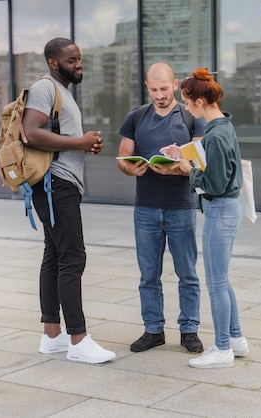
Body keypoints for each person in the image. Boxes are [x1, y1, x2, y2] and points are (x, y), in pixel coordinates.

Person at [22, 37, 115, 364]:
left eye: (79, 59)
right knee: (73, 257)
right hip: (54, 185)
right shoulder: (45, 88)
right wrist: (79, 142)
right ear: (53, 62)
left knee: (55, 254)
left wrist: (83, 144)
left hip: (57, 185)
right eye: (72, 60)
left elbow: (56, 137)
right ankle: (78, 339)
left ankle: (52, 336)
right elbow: (30, 132)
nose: (79, 65)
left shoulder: (61, 91)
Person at [117, 62, 206, 354]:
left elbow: (199, 163)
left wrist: (178, 170)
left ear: (176, 85)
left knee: (187, 273)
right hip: (145, 208)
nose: (159, 94)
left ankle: (189, 329)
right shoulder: (136, 117)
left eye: (164, 88)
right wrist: (131, 170)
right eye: (154, 89)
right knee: (148, 275)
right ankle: (153, 330)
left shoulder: (191, 117)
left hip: (180, 206)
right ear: (147, 87)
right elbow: (123, 157)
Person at [166, 67, 249, 368]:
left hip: (220, 210)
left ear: (200, 102)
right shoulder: (223, 125)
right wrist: (185, 153)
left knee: (215, 283)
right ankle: (236, 339)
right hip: (229, 209)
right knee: (221, 279)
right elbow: (219, 164)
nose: (186, 108)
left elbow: (213, 182)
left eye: (187, 103)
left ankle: (223, 348)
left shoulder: (215, 134)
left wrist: (188, 170)